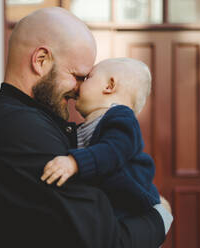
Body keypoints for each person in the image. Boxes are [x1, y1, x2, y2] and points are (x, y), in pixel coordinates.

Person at [0, 7, 172, 248]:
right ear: (41, 61)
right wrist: (160, 217)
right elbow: (106, 241)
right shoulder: (19, 131)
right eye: (78, 76)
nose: (79, 90)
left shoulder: (28, 122)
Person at [41, 58, 163, 218]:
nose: (77, 86)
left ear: (109, 86)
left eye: (87, 78)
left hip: (131, 205)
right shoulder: (85, 126)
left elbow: (114, 149)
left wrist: (74, 162)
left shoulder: (121, 116)